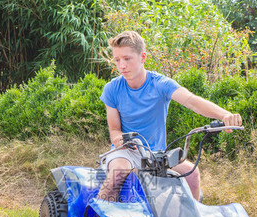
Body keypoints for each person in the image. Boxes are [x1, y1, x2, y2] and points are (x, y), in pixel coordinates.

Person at [98, 30, 242, 202]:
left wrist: (225, 115)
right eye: (117, 60)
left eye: (127, 59)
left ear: (143, 57)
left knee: (192, 174)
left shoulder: (160, 84)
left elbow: (191, 101)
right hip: (126, 152)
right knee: (117, 173)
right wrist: (120, 140)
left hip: (156, 153)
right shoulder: (112, 89)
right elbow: (114, 130)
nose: (121, 65)